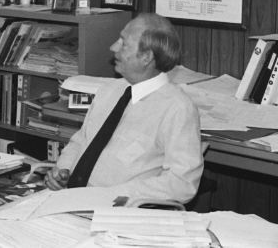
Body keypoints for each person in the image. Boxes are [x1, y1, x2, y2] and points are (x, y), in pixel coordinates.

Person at [45, 13, 203, 204]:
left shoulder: (176, 109)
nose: (113, 47)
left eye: (124, 43)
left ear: (146, 57)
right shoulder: (109, 90)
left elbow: (182, 184)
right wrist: (63, 171)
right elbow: (81, 141)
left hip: (116, 209)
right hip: (70, 200)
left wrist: (114, 195)